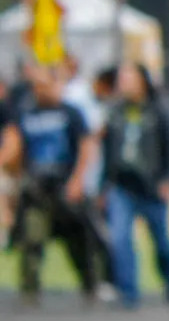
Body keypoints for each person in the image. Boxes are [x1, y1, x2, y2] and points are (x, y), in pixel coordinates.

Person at [0, 61, 101, 305]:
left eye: (44, 85)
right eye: (36, 86)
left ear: (56, 84)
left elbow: (86, 147)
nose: (39, 90)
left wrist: (78, 180)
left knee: (78, 240)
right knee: (32, 239)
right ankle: (29, 291)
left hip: (66, 187)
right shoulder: (26, 114)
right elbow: (17, 147)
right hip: (36, 188)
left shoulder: (70, 113)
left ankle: (90, 285)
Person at [101, 62, 169, 307]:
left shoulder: (158, 111)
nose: (123, 83)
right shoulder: (115, 112)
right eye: (121, 78)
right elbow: (107, 150)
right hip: (122, 186)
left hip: (151, 186)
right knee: (120, 238)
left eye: (129, 78)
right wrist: (104, 185)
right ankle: (128, 292)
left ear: (142, 81)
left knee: (161, 242)